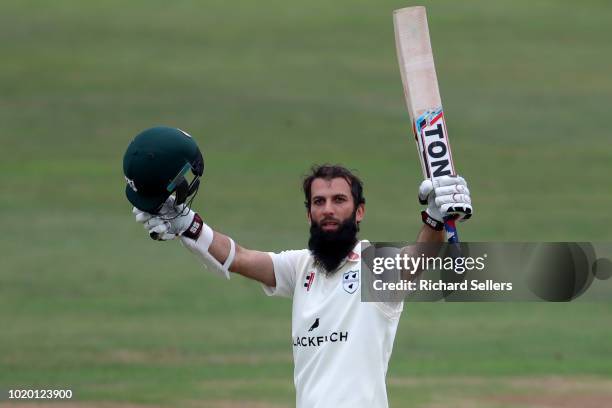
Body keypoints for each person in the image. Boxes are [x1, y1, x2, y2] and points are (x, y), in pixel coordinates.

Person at [124, 127, 473, 408]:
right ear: (309, 214)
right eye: (319, 202)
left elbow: (416, 264)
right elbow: (240, 257)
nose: (328, 209)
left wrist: (435, 221)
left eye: (339, 201)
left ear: (359, 212)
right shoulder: (300, 267)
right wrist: (189, 225)